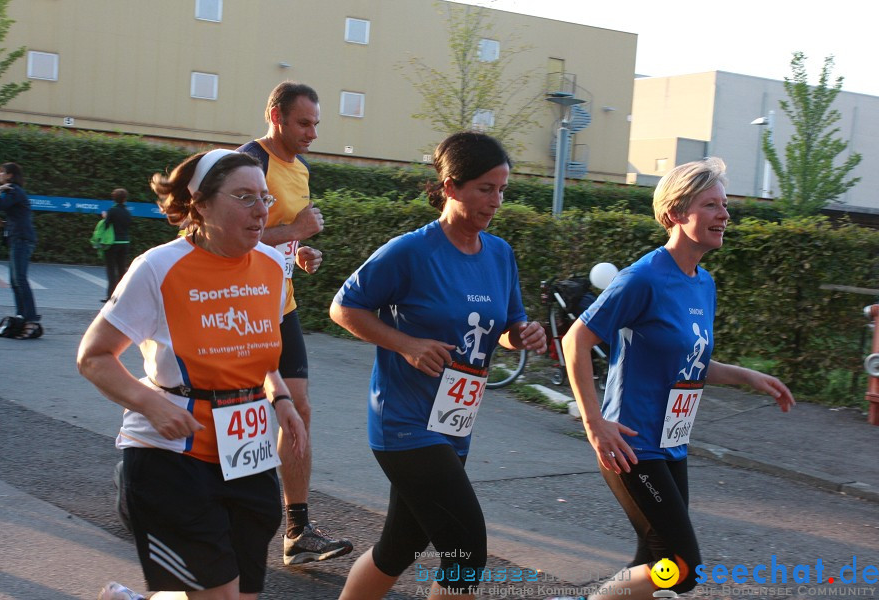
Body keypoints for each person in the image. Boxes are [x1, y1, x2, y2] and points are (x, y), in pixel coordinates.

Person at [561, 157, 795, 599]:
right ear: (674, 214)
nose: (725, 214)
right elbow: (575, 341)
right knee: (680, 567)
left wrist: (748, 376)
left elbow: (687, 363)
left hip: (671, 442)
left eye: (725, 205)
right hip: (631, 444)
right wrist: (595, 424)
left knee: (654, 561)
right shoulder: (643, 278)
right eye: (711, 205)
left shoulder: (702, 283)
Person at [77, 149, 307, 600]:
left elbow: (257, 354)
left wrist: (281, 399)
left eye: (264, 196)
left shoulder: (270, 267)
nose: (262, 209)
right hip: (170, 459)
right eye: (244, 197)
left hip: (247, 454)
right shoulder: (158, 268)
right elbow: (94, 356)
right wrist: (149, 402)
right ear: (200, 204)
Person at [329, 131, 547, 600]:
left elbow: (507, 326)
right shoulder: (410, 251)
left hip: (454, 421)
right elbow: (344, 308)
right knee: (467, 550)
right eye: (485, 189)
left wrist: (523, 334)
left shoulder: (499, 253)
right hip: (404, 424)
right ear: (450, 186)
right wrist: (405, 343)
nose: (497, 201)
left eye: (503, 189)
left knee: (400, 546)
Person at [237, 80, 353, 565]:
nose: (312, 133)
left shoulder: (300, 170)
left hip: (279, 304)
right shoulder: (247, 163)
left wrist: (298, 250)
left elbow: (275, 237)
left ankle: (298, 530)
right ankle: (176, 491)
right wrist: (297, 230)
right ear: (275, 115)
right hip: (239, 306)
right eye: (304, 123)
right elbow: (232, 235)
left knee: (298, 408)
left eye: (316, 124)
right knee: (231, 414)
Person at [0, 162, 41, 339]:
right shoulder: (13, 191)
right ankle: (22, 315)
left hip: (22, 239)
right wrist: (1, 224)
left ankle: (31, 317)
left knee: (19, 278)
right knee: (14, 280)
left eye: (1, 172)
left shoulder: (14, 190)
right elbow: (17, 218)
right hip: (18, 238)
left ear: (10, 175)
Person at [103, 188, 132, 301]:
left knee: (111, 269)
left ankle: (110, 295)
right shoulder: (127, 212)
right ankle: (122, 294)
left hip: (113, 243)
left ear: (114, 199)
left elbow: (106, 225)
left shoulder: (112, 210)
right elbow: (129, 224)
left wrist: (105, 217)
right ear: (125, 199)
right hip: (125, 242)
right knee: (121, 269)